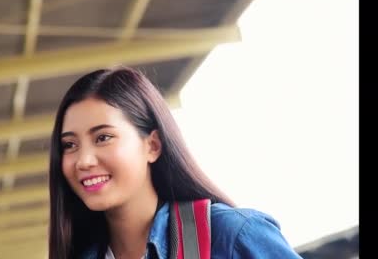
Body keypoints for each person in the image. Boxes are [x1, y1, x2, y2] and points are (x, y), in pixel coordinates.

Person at [48, 67, 302, 259]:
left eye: (103, 138)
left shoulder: (230, 236)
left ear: (153, 145)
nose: (83, 160)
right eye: (70, 145)